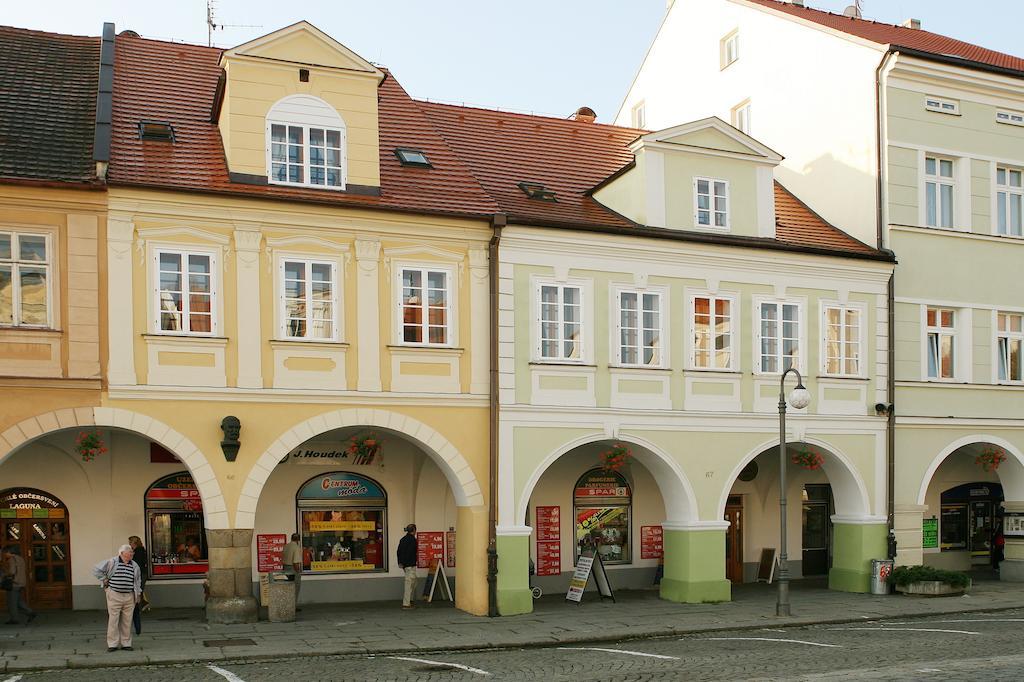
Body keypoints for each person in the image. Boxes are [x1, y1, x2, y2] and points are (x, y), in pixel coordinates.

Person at [93, 544, 141, 652]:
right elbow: (96, 569)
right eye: (129, 552)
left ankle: (126, 643)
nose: (131, 554)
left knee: (127, 620)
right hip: (114, 594)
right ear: (122, 553)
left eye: (132, 552)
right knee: (113, 620)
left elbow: (137, 581)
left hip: (129, 595)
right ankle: (112, 644)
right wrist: (104, 579)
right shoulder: (112, 562)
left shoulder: (134, 565)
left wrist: (138, 594)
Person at [2, 545, 36, 625]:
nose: (5, 554)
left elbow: (12, 571)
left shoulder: (11, 559)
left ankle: (14, 618)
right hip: (21, 582)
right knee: (18, 601)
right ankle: (30, 612)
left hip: (14, 583)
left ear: (9, 552)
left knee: (12, 602)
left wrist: (5, 574)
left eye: (5, 552)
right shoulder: (21, 558)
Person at [128, 536, 149, 635]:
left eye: (130, 542)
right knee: (139, 590)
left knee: (138, 590)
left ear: (134, 543)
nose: (129, 544)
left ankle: (140, 606)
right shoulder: (140, 550)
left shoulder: (139, 551)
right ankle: (142, 605)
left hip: (140, 573)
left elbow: (137, 564)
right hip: (141, 573)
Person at [397, 524, 418, 609]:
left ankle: (410, 600)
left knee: (414, 581)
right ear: (414, 531)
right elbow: (411, 552)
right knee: (409, 583)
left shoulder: (403, 539)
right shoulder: (413, 540)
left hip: (405, 565)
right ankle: (406, 603)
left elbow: (398, 551)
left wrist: (400, 562)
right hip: (410, 564)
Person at [282, 532, 303, 607]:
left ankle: (286, 605)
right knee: (295, 588)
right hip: (293, 569)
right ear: (298, 540)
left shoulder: (286, 546)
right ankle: (293, 606)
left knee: (287, 588)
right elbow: (295, 563)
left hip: (285, 568)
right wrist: (298, 571)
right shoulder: (296, 548)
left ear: (291, 538)